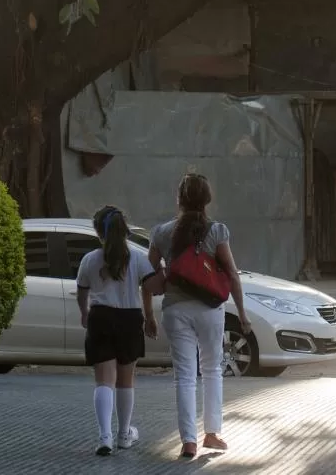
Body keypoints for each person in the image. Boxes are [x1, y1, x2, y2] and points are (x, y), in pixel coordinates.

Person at [147, 171, 250, 460]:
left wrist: (161, 283)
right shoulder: (217, 231)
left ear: (179, 199)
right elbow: (231, 273)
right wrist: (242, 313)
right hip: (210, 310)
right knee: (212, 369)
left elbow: (150, 273)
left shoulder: (161, 232)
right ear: (207, 199)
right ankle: (213, 434)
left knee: (184, 376)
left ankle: (188, 441)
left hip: (175, 309)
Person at [77, 205, 159, 457]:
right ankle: (124, 434)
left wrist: (84, 313)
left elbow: (82, 292)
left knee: (104, 380)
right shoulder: (137, 258)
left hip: (100, 318)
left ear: (99, 233)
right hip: (129, 319)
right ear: (125, 231)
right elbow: (154, 286)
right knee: (126, 380)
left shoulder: (90, 259)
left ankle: (105, 437)